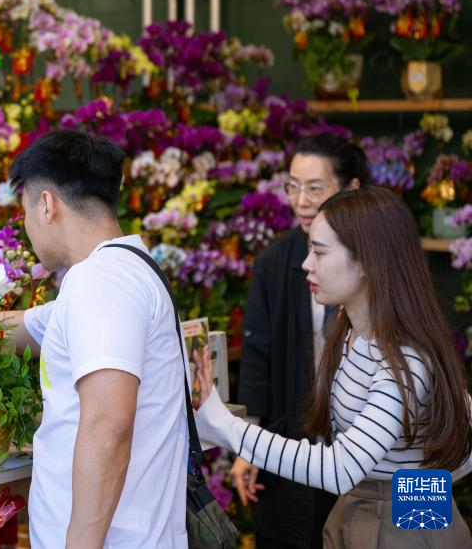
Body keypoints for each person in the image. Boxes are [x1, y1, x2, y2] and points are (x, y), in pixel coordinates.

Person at [195, 186, 472, 548]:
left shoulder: (405, 359)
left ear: (368, 262)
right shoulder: (349, 330)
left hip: (399, 521)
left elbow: (341, 468)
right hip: (365, 506)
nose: (306, 263)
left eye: (320, 252)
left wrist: (226, 427)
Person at [0, 130, 187, 547]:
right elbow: (26, 326)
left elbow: (109, 424)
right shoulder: (126, 269)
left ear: (46, 204)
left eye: (25, 211)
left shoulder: (100, 281)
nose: (26, 227)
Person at [235, 133, 370, 549]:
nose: (301, 201)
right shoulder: (276, 262)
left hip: (366, 482)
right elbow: (257, 356)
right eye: (293, 187)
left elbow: (441, 460)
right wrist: (248, 443)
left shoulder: (399, 355)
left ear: (351, 189)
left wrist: (419, 514)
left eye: (315, 188)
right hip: (293, 447)